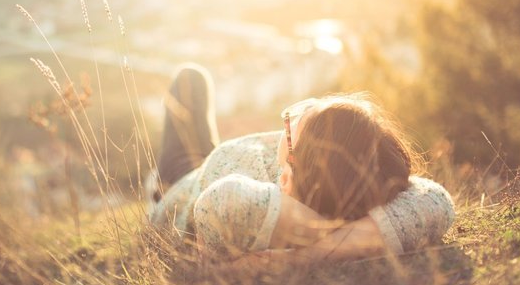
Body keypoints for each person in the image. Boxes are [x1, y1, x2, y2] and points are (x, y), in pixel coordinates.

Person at [149, 64, 454, 260]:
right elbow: (436, 201)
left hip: (182, 183)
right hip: (211, 163)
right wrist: (329, 236)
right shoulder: (348, 181)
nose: (288, 120)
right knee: (194, 79)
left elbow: (222, 199)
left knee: (188, 79)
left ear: (286, 179)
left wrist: (296, 258)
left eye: (295, 125)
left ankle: (154, 191)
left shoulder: (246, 206)